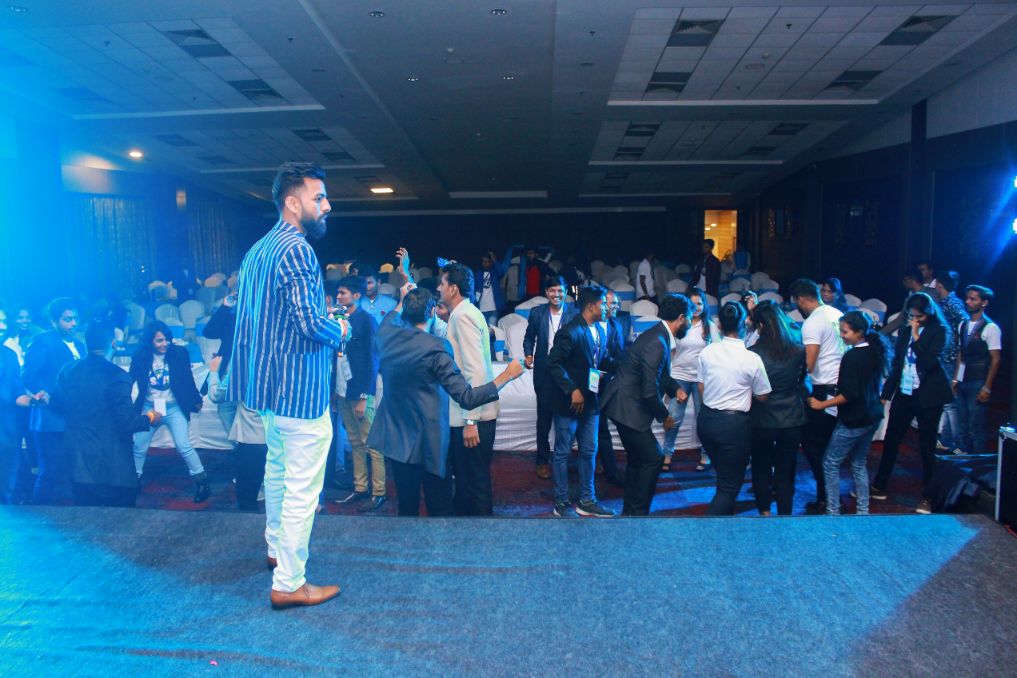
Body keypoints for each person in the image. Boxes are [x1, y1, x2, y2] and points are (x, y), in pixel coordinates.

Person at [230, 162, 351, 610]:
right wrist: (341, 328)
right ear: (293, 203)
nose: (327, 205)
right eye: (319, 198)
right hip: (300, 392)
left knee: (277, 471)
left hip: (268, 391)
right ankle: (289, 582)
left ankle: (275, 549)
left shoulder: (258, 250)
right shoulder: (297, 250)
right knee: (303, 487)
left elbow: (258, 324)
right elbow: (310, 324)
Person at [368, 285, 523, 516]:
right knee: (438, 508)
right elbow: (466, 397)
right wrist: (506, 376)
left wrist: (404, 297)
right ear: (432, 312)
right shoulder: (437, 347)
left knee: (406, 509)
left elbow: (392, 317)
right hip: (430, 441)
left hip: (397, 437)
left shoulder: (386, 335)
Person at [601, 293, 692, 515]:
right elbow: (650, 390)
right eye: (689, 318)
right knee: (654, 458)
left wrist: (674, 388)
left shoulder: (658, 334)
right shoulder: (658, 342)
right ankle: (638, 514)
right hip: (627, 408)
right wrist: (665, 417)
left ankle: (630, 512)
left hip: (624, 405)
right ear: (681, 318)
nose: (690, 322)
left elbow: (659, 375)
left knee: (638, 460)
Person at [49, 322, 157, 507]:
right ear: (113, 343)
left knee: (83, 516)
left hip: (77, 460)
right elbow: (127, 422)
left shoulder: (69, 370)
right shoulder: (117, 375)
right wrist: (150, 418)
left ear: (85, 343)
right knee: (120, 517)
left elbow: (55, 405)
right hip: (111, 465)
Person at [872, 293, 953, 514]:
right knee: (891, 440)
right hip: (905, 392)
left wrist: (916, 337)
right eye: (911, 316)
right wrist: (886, 394)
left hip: (928, 395)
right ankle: (879, 485)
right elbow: (898, 363)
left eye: (919, 317)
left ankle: (928, 495)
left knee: (926, 446)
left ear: (928, 314)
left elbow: (928, 362)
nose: (914, 320)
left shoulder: (939, 331)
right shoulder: (905, 331)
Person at [808, 312, 891, 516]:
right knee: (858, 463)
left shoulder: (853, 356)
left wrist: (822, 404)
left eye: (844, 332)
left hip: (854, 419)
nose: (841, 335)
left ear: (859, 332)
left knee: (830, 463)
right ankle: (862, 512)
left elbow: (849, 394)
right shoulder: (874, 350)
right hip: (872, 416)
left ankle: (833, 512)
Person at [697, 302, 772, 515]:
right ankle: (704, 530)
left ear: (719, 325)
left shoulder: (707, 352)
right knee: (729, 487)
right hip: (733, 427)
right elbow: (763, 395)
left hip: (706, 421)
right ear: (745, 326)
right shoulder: (751, 358)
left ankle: (725, 525)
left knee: (724, 477)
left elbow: (701, 387)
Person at [546, 285, 615, 517]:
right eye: (603, 304)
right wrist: (572, 389)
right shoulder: (570, 331)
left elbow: (601, 361)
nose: (606, 308)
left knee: (589, 451)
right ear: (591, 306)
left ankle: (587, 501)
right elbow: (553, 363)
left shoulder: (601, 331)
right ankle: (561, 503)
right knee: (562, 453)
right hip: (569, 403)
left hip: (591, 402)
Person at [439, 261, 501, 516]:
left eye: (442, 284)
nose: (438, 288)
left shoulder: (463, 316)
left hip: (473, 416)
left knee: (474, 483)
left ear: (453, 288)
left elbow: (474, 371)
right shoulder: (464, 313)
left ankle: (480, 534)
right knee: (467, 482)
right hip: (471, 413)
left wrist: (471, 420)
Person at [129, 321, 209, 502]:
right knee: (139, 446)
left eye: (167, 340)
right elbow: (130, 379)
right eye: (159, 340)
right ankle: (134, 481)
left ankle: (202, 481)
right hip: (149, 408)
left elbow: (187, 379)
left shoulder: (179, 353)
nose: (165, 344)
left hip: (173, 408)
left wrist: (195, 399)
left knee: (183, 445)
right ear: (149, 341)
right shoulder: (140, 356)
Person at [23, 297, 86, 505]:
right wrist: (44, 393)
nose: (73, 323)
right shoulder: (43, 341)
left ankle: (68, 515)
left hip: (73, 417)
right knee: (50, 471)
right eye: (68, 319)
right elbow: (28, 374)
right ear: (54, 321)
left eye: (75, 318)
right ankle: (38, 514)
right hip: (50, 417)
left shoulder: (79, 344)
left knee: (71, 469)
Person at [331, 276, 386, 512]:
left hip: (360, 391)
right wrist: (335, 391)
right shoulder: (339, 320)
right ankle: (360, 487)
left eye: (343, 293)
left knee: (371, 443)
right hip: (343, 390)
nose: (338, 296)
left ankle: (379, 492)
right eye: (338, 293)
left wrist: (365, 395)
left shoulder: (366, 321)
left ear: (356, 295)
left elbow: (373, 360)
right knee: (355, 442)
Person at [790, 279, 845, 514]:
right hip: (841, 386)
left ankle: (828, 500)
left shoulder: (812, 322)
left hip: (824, 389)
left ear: (801, 299)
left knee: (814, 446)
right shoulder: (836, 313)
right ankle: (830, 498)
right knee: (828, 449)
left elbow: (809, 364)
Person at [748, 301, 807, 516]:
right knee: (786, 471)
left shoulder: (753, 353)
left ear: (761, 325)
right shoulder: (798, 350)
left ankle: (764, 512)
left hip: (761, 417)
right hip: (791, 417)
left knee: (760, 467)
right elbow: (802, 381)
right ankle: (785, 514)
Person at [523, 275, 577, 479]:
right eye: (552, 290)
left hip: (567, 374)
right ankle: (542, 461)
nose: (556, 294)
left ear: (566, 292)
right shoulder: (537, 313)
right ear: (546, 293)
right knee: (544, 420)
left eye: (560, 290)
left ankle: (563, 458)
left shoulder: (574, 314)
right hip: (544, 374)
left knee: (566, 419)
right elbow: (529, 338)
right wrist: (528, 354)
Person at [662, 287, 719, 473]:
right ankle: (667, 454)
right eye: (692, 304)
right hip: (679, 377)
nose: (696, 307)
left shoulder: (710, 326)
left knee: (702, 419)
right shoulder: (680, 324)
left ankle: (706, 454)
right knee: (673, 417)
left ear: (704, 305)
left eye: (699, 303)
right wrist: (668, 380)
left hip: (702, 379)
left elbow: (717, 353)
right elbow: (670, 352)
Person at [207, 356, 267, 512]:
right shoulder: (283, 361)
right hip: (280, 437)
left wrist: (213, 372)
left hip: (252, 439)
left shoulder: (243, 367)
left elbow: (216, 395)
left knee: (247, 498)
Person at [952, 285, 1001, 455]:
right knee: (962, 426)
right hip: (963, 380)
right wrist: (956, 378)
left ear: (984, 303)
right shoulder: (963, 324)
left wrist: (987, 387)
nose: (968, 301)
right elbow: (961, 353)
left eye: (973, 299)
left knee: (976, 427)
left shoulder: (991, 327)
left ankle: (978, 463)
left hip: (978, 381)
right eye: (967, 298)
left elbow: (995, 359)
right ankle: (963, 459)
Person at [0, 308, 37, 503]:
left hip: (7, 427)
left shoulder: (9, 355)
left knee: (6, 479)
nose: (2, 326)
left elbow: (16, 391)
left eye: (4, 321)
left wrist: (33, 400)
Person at [932, 271, 967, 451]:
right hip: (944, 355)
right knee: (946, 402)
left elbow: (965, 324)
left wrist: (954, 338)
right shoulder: (945, 302)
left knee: (950, 402)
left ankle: (958, 443)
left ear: (939, 285)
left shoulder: (953, 303)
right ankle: (946, 440)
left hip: (950, 357)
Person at [596, 290, 625, 486]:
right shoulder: (590, 325)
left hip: (610, 383)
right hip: (590, 383)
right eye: (612, 303)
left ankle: (608, 468)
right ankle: (608, 470)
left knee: (603, 428)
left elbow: (620, 354)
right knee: (598, 428)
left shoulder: (617, 325)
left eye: (617, 304)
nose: (616, 307)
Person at [881, 271, 925, 336]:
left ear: (912, 280)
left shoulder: (931, 294)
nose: (903, 283)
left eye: (905, 280)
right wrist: (880, 334)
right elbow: (901, 319)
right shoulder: (909, 297)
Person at [474, 250, 507, 327]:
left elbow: (501, 272)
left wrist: (493, 258)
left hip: (493, 308)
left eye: (486, 262)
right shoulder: (478, 273)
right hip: (481, 308)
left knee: (493, 330)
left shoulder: (494, 273)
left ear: (491, 263)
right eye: (483, 262)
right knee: (482, 330)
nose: (484, 264)